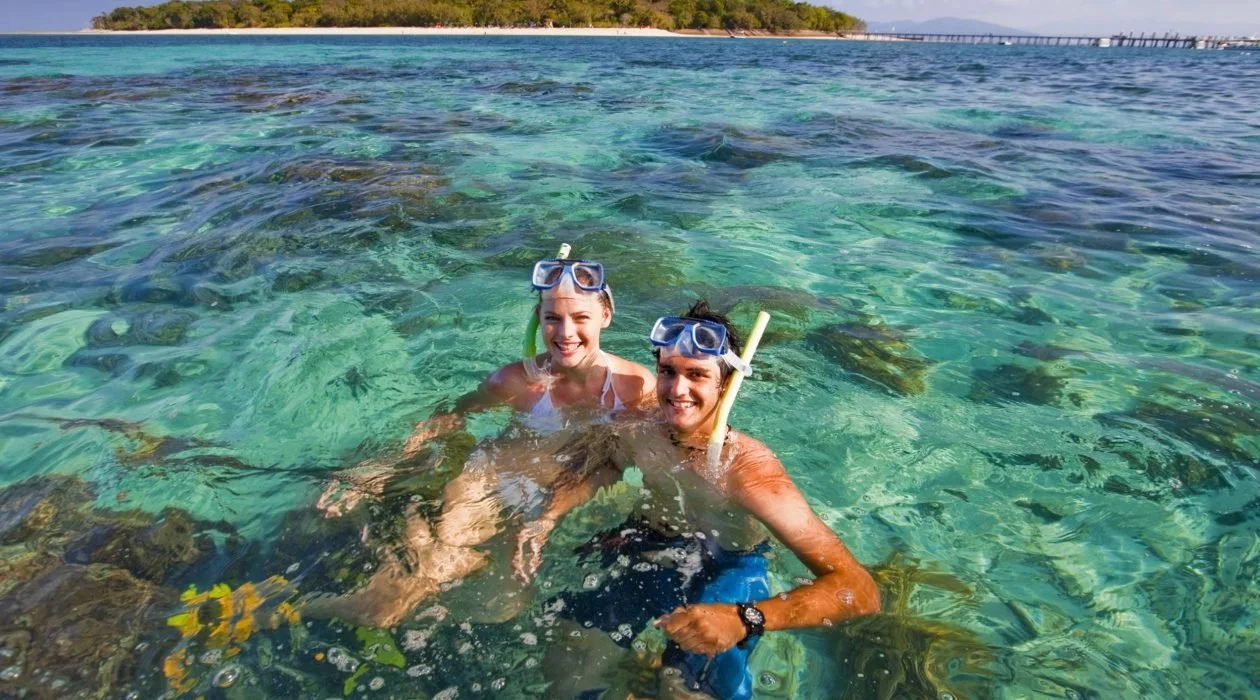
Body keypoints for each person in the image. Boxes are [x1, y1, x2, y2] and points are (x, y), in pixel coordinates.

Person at [521, 300, 881, 700]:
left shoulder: (750, 472)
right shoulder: (638, 429)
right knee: (568, 661)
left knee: (684, 692)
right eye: (668, 371)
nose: (677, 390)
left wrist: (745, 618)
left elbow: (859, 589)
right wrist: (547, 517)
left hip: (729, 564)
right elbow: (601, 467)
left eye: (696, 375)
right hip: (649, 542)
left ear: (726, 385)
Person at [306, 256, 656, 627]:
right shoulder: (515, 382)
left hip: (547, 497)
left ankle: (405, 535)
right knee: (401, 597)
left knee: (504, 605)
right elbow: (449, 417)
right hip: (487, 479)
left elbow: (616, 463)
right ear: (539, 318)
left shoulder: (635, 389)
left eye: (580, 318)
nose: (565, 333)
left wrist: (549, 516)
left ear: (605, 315)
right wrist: (372, 471)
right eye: (553, 318)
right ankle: (285, 609)